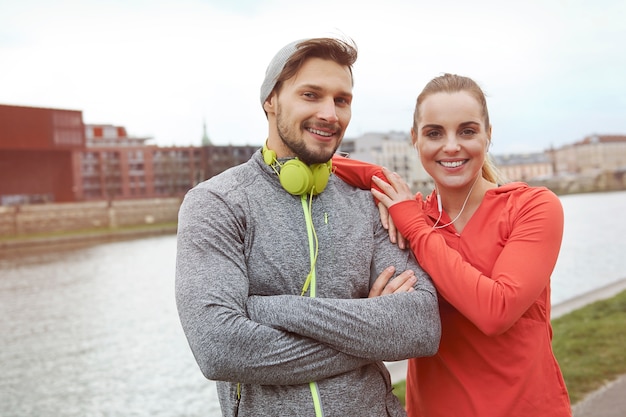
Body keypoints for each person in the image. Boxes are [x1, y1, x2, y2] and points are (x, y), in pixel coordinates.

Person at [175, 37, 441, 417]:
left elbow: (420, 326)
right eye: (311, 95)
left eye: (341, 100)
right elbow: (219, 349)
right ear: (270, 100)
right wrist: (368, 328)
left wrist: (272, 310)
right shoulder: (216, 204)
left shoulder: (369, 201)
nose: (330, 114)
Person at [332, 73, 572, 417]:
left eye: (467, 131)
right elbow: (322, 159)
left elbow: (496, 311)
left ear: (488, 135)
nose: (451, 146)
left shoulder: (532, 207)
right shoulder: (411, 215)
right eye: (434, 133)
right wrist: (379, 178)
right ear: (415, 140)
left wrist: (413, 225)